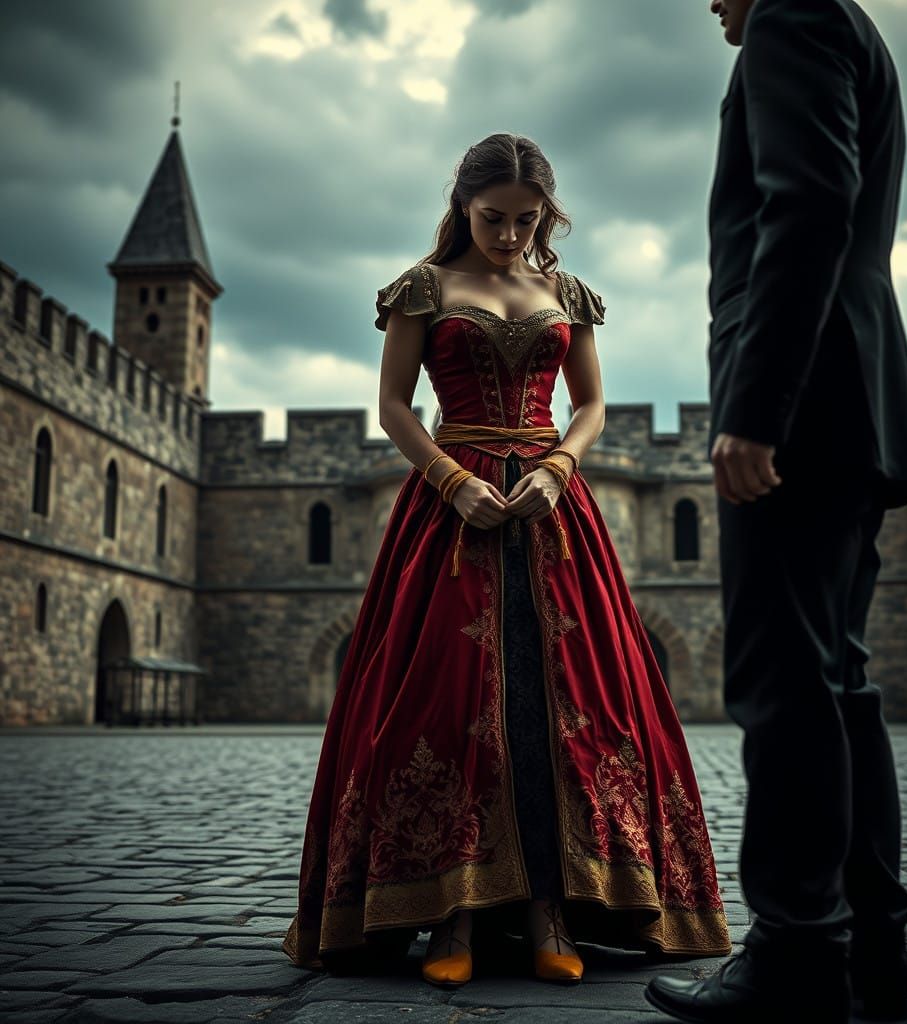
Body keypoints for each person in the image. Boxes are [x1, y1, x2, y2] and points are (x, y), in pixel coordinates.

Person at [282, 132, 731, 988]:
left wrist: (560, 469)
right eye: (494, 218)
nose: (511, 235)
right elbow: (392, 406)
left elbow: (591, 405)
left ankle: (550, 908)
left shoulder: (567, 293)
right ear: (462, 207)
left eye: (528, 220)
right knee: (439, 701)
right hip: (451, 508)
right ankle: (452, 912)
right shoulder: (423, 287)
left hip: (552, 510)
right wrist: (451, 483)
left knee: (565, 704)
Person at [644, 1, 907, 1022]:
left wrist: (755, 409)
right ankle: (870, 951)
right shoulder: (844, 23)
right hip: (855, 398)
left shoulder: (792, 16)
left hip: (804, 405)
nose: (708, 3)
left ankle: (798, 952)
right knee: (836, 681)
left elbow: (808, 202)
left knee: (782, 684)